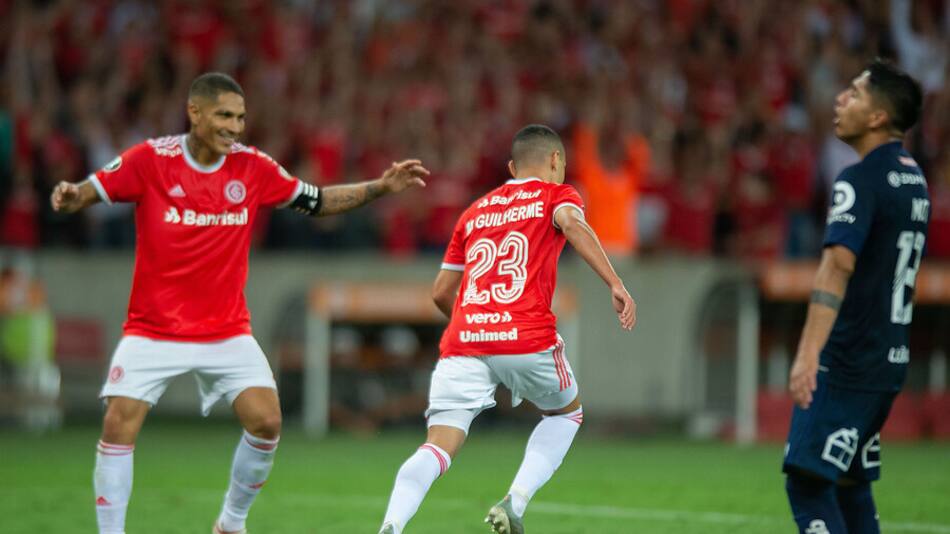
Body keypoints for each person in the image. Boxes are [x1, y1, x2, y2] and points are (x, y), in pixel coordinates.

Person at [49, 72, 428, 534]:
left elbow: (318, 201)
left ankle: (231, 523)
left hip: (226, 330)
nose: (234, 127)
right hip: (153, 328)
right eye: (224, 115)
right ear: (195, 113)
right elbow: (93, 188)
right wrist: (72, 195)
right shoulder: (151, 159)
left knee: (267, 422)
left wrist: (380, 187)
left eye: (241, 117)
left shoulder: (254, 168)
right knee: (118, 424)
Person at [378, 124, 636, 534]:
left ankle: (390, 525)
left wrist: (477, 325)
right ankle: (514, 502)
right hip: (526, 335)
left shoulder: (474, 212)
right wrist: (615, 282)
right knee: (566, 414)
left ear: (513, 168)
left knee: (437, 445)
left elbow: (441, 292)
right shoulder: (557, 195)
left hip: (465, 339)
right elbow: (572, 224)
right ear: (556, 161)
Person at [784, 59, 928, 534]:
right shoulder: (915, 181)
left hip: (848, 361)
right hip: (888, 359)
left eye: (856, 93)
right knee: (849, 481)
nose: (841, 99)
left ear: (878, 117)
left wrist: (808, 355)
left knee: (807, 482)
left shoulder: (857, 180)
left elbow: (837, 266)